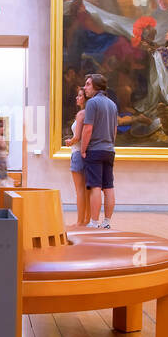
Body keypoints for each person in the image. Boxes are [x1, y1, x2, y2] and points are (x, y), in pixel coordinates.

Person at [78, 73, 117, 229]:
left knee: (95, 186)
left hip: (94, 150)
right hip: (109, 150)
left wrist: (83, 149)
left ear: (96, 86)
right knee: (108, 187)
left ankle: (94, 222)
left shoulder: (92, 103)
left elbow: (88, 128)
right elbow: (114, 130)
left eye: (88, 84)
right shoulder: (112, 104)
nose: (85, 87)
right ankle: (106, 222)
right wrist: (110, 145)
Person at [62, 86, 88, 226]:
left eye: (80, 95)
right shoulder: (91, 113)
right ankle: (87, 220)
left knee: (80, 190)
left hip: (77, 152)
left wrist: (69, 141)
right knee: (87, 189)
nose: (77, 98)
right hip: (87, 152)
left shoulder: (81, 114)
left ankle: (80, 221)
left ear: (85, 98)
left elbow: (77, 137)